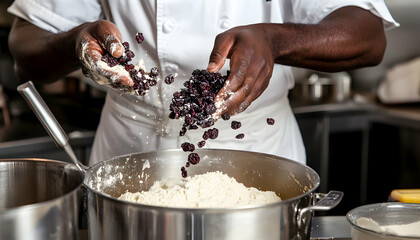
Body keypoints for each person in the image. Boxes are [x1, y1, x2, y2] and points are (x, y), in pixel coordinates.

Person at [7, 1, 398, 166]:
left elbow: (366, 35)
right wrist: (75, 42)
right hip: (128, 151)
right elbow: (26, 46)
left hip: (257, 152)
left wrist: (276, 40)